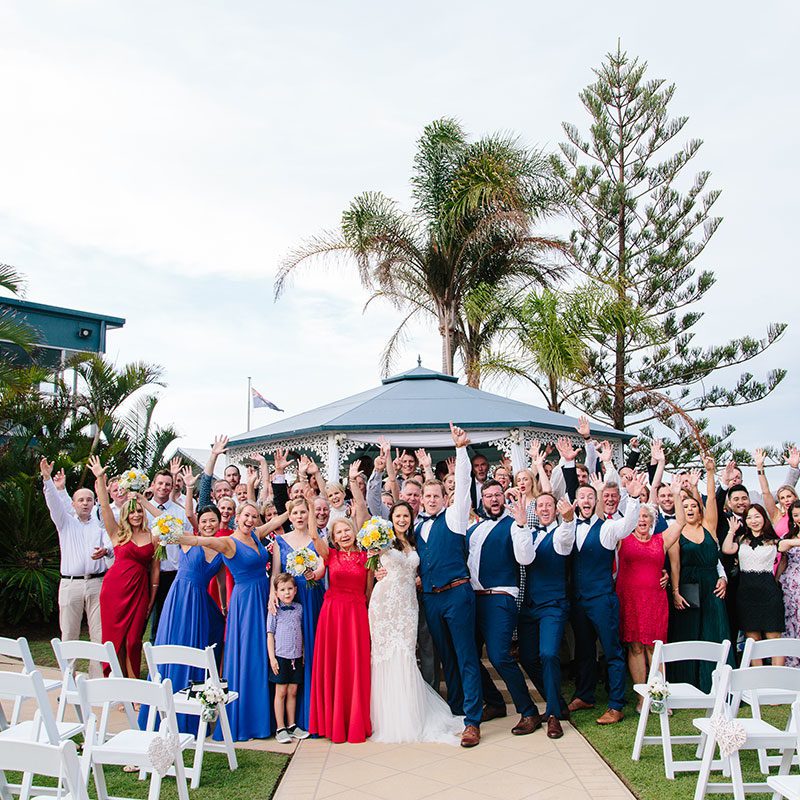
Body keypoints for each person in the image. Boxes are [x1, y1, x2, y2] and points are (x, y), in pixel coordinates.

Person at [178, 501, 282, 741]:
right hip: (245, 602)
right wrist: (174, 536)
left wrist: (298, 504)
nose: (250, 520)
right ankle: (245, 720)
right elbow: (200, 540)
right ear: (237, 517)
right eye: (247, 515)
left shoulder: (255, 535)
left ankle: (264, 718)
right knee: (248, 654)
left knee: (263, 653)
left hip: (262, 595)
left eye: (254, 516)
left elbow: (275, 522)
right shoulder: (228, 542)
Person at [138, 473, 225, 733]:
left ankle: (192, 714)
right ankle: (161, 711)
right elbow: (165, 521)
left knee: (203, 646)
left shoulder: (222, 548)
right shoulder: (188, 538)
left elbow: (220, 581)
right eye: (205, 520)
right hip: (180, 599)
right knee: (172, 645)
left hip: (200, 602)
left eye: (213, 521)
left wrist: (222, 605)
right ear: (199, 522)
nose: (209, 524)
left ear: (220, 523)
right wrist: (143, 500)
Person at [369, 501, 463, 744]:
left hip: (408, 604)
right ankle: (389, 718)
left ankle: (410, 713)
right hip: (385, 603)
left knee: (407, 654)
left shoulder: (415, 540)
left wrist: (420, 576)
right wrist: (376, 568)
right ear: (391, 517)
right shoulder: (382, 540)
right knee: (386, 656)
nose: (402, 520)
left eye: (406, 516)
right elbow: (371, 565)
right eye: (397, 515)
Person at [416, 422, 483, 747]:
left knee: (466, 655)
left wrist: (460, 449)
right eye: (426, 496)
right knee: (446, 657)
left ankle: (473, 720)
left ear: (445, 498)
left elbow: (465, 482)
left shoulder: (455, 518)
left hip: (457, 593)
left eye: (435, 495)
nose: (430, 500)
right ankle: (457, 710)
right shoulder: (416, 528)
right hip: (432, 598)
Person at [567, 471, 646, 724]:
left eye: (591, 496)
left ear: (597, 501)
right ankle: (585, 695)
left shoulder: (609, 528)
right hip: (578, 601)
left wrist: (633, 498)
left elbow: (628, 526)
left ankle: (616, 704)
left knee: (612, 651)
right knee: (585, 650)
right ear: (576, 502)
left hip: (602, 598)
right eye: (582, 497)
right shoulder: (567, 528)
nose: (587, 500)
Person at [468, 485, 538, 735]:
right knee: (469, 657)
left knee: (499, 656)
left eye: (498, 495)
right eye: (489, 496)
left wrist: (521, 525)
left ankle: (529, 711)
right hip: (473, 600)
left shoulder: (513, 525)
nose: (494, 499)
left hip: (500, 597)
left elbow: (526, 558)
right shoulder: (473, 530)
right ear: (483, 500)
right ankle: (496, 703)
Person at [40, 458, 114, 678]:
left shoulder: (99, 526)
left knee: (99, 635)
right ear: (73, 504)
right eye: (80, 500)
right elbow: (54, 502)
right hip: (70, 584)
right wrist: (47, 480)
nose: (85, 503)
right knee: (69, 634)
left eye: (89, 500)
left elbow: (111, 545)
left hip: (96, 583)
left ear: (93, 503)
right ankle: (68, 681)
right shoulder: (65, 523)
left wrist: (106, 552)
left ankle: (97, 682)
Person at [615, 484, 685, 711]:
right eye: (638, 516)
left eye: (646, 516)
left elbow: (681, 523)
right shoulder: (622, 539)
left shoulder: (660, 540)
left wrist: (676, 495)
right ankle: (642, 698)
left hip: (655, 601)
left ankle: (660, 696)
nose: (642, 520)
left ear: (652, 520)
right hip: (630, 600)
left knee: (655, 648)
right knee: (635, 648)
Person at [88, 456, 158, 679]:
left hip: (140, 591)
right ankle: (116, 684)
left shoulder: (153, 536)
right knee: (114, 641)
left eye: (139, 511)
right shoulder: (117, 533)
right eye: (132, 512)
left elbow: (155, 571)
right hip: (114, 590)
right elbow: (104, 507)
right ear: (125, 514)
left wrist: (152, 599)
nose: (136, 515)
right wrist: (100, 478)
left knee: (133, 640)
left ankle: (134, 686)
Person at [669, 458, 732, 691]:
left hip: (712, 586)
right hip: (688, 587)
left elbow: (713, 499)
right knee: (689, 634)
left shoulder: (709, 528)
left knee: (715, 631)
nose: (690, 510)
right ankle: (688, 684)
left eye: (693, 506)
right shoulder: (676, 533)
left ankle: (717, 684)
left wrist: (710, 472)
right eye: (685, 508)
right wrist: (675, 592)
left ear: (698, 507)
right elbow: (675, 566)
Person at [309, 517, 373, 743]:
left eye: (347, 530)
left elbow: (369, 592)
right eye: (339, 533)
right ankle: (333, 723)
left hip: (356, 615)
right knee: (335, 665)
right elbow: (314, 538)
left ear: (354, 531)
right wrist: (309, 505)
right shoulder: (330, 556)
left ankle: (355, 721)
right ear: (333, 538)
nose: (344, 535)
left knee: (355, 665)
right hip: (333, 616)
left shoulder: (367, 558)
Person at [517, 493, 575, 739]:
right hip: (529, 606)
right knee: (528, 658)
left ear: (555, 509)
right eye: (540, 506)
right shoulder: (526, 534)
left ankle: (553, 715)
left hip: (553, 603)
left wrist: (569, 520)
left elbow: (565, 538)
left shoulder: (561, 534)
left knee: (549, 654)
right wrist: (520, 525)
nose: (544, 509)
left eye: (548, 505)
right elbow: (523, 557)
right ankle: (558, 703)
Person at [268, 494, 326, 731]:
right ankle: (288, 721)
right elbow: (276, 572)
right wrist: (273, 593)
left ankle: (310, 715)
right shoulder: (281, 541)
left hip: (312, 596)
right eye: (295, 513)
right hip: (289, 597)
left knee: (310, 649)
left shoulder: (317, 537)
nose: (299, 517)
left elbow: (324, 564)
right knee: (288, 647)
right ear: (289, 516)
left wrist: (317, 573)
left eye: (303, 512)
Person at [721, 504, 785, 664]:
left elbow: (786, 552)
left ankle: (779, 684)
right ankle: (757, 685)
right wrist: (731, 531)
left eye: (757, 516)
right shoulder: (741, 540)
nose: (753, 520)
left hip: (769, 592)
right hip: (746, 593)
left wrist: (776, 577)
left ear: (764, 518)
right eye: (749, 517)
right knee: (752, 639)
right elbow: (727, 549)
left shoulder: (774, 541)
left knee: (773, 638)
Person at [147, 469, 192, 641]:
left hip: (171, 572)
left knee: (167, 617)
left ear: (172, 487)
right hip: (148, 571)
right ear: (153, 485)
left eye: (167, 484)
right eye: (160, 483)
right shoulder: (142, 510)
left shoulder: (178, 512)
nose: (163, 487)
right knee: (148, 615)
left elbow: (188, 540)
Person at [268, 573, 310, 743]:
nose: (287, 593)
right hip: (281, 657)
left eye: (290, 589)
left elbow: (302, 631)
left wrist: (304, 653)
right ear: (276, 592)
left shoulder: (299, 608)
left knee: (293, 691)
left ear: (295, 590)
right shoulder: (274, 610)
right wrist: (272, 658)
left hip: (297, 656)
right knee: (281, 692)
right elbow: (270, 635)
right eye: (283, 590)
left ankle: (292, 725)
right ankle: (280, 727)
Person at [754, 448, 799, 539]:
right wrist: (759, 467)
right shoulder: (777, 515)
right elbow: (766, 492)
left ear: (795, 497)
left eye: (788, 496)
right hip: (781, 552)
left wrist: (794, 467)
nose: (786, 500)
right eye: (782, 498)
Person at [779, 501, 800, 666]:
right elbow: (782, 549)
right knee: (791, 622)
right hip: (790, 587)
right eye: (796, 515)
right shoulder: (789, 535)